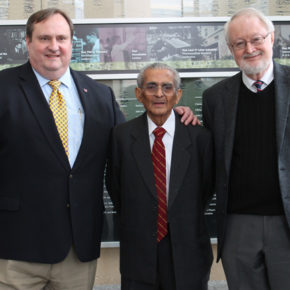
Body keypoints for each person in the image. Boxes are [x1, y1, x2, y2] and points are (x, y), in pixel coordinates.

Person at [0, 8, 195, 289]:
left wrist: (170, 115)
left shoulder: (99, 95)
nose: (54, 46)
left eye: (61, 38)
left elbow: (133, 144)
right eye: (44, 38)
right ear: (28, 42)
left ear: (71, 43)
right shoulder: (4, 88)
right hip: (15, 250)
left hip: (77, 253)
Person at [202, 7, 290, 290]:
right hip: (238, 225)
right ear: (231, 49)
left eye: (256, 39)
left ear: (272, 38)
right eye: (240, 43)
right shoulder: (214, 98)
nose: (249, 49)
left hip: (286, 223)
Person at [107, 63, 214, 290]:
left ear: (178, 95)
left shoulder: (200, 138)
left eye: (167, 87)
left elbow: (206, 188)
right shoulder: (121, 137)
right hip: (138, 254)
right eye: (151, 87)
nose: (159, 94)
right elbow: (116, 189)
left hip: (188, 254)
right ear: (138, 94)